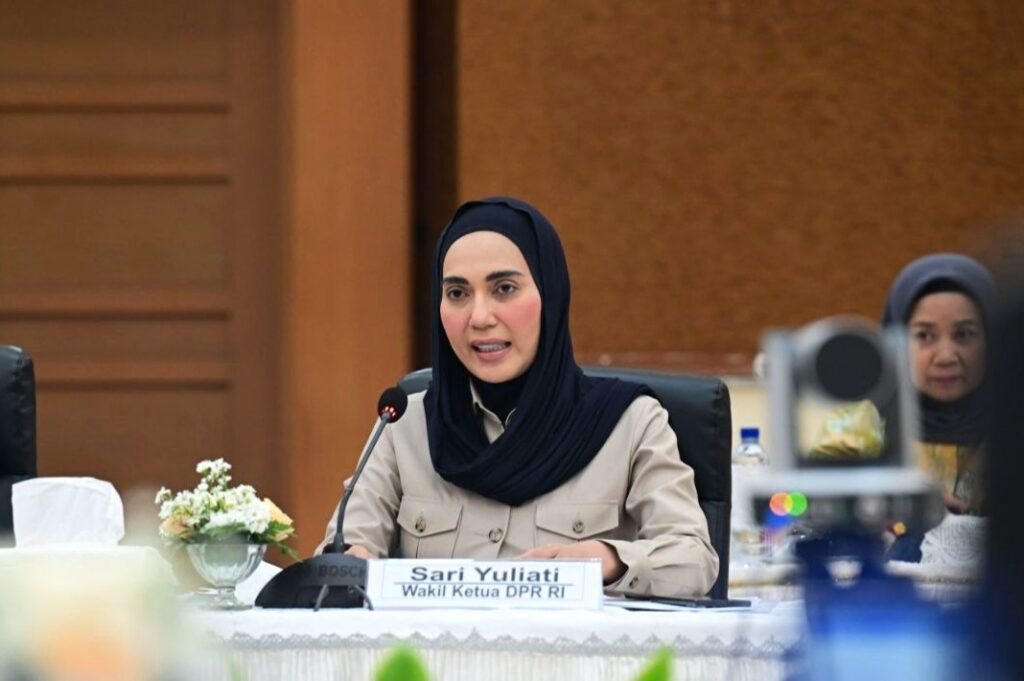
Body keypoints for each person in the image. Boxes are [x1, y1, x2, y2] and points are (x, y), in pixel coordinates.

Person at [318, 196, 718, 597]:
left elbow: (694, 560)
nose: (479, 317)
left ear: (550, 294)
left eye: (504, 288)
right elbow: (339, 554)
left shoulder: (630, 423)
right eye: (457, 293)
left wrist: (608, 560)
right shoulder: (404, 425)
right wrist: (348, 566)